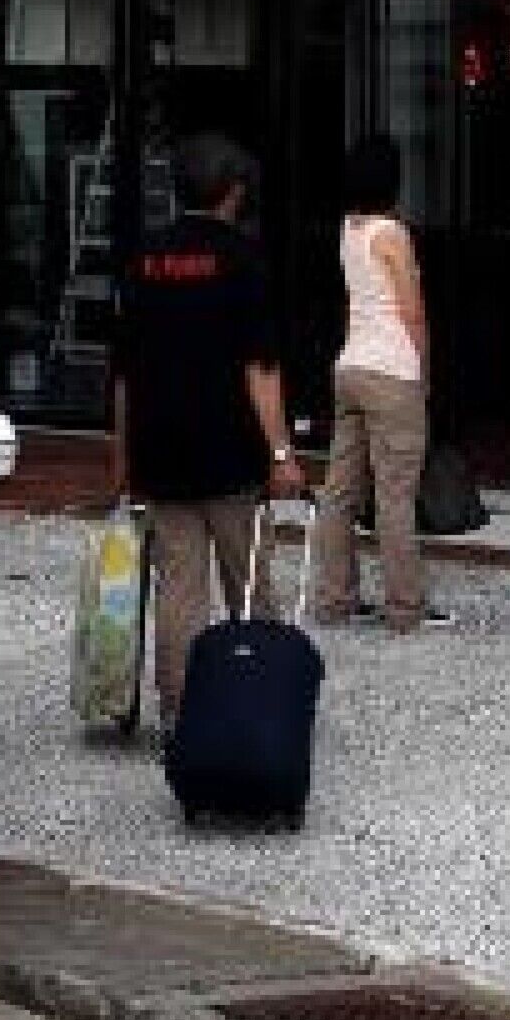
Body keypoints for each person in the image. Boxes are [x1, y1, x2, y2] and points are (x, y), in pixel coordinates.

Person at [111, 131, 305, 731]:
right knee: (248, 583)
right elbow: (261, 368)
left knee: (179, 588)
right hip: (231, 451)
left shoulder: (144, 259)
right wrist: (281, 453)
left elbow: (124, 372)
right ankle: (262, 702)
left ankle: (179, 713)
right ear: (234, 192)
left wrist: (122, 454)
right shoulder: (244, 260)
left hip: (160, 449)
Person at [311, 131, 437, 632]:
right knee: (394, 495)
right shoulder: (392, 234)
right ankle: (404, 606)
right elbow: (412, 311)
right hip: (391, 371)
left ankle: (334, 599)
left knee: (339, 491)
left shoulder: (348, 230)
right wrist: (423, 372)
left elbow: (353, 303)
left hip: (352, 365)